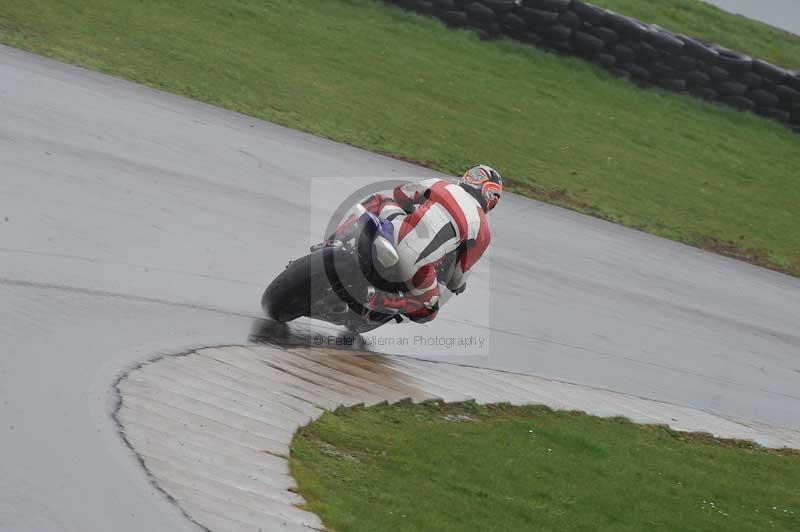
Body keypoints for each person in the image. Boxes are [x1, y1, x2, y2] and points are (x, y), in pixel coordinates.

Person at [344, 165, 502, 324]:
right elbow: (457, 277)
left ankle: (337, 238)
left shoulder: (441, 184)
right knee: (429, 311)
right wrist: (459, 286)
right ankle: (377, 299)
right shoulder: (483, 231)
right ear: (491, 197)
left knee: (379, 199)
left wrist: (415, 207)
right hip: (418, 270)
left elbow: (400, 193)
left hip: (392, 233)